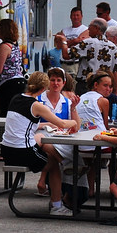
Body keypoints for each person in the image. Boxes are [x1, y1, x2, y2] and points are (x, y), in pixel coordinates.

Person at [0, 71, 79, 217]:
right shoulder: (37, 105)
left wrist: (44, 127)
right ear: (43, 89)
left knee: (41, 138)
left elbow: (24, 125)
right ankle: (57, 205)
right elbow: (61, 123)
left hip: (6, 149)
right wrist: (74, 121)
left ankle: (67, 164)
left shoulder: (16, 98)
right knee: (53, 164)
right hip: (21, 152)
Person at [34, 67, 80, 196]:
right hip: (41, 139)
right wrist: (47, 124)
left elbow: (75, 127)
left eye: (59, 80)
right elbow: (31, 124)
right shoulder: (39, 100)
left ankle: (46, 183)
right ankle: (60, 187)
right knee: (49, 147)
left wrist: (74, 109)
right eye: (52, 80)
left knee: (52, 150)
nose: (55, 83)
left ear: (64, 83)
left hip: (61, 140)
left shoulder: (66, 102)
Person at [64, 19, 117, 96]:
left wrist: (63, 41)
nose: (88, 29)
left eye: (90, 27)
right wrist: (115, 90)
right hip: (105, 85)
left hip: (86, 85)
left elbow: (67, 55)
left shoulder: (88, 43)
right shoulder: (112, 46)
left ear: (96, 28)